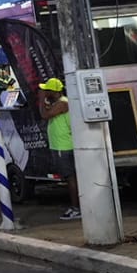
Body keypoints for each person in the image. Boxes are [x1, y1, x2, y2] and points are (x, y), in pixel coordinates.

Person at [36, 78, 80, 220]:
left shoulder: (63, 103)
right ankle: (76, 206)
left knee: (70, 177)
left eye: (47, 90)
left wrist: (42, 99)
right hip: (59, 145)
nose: (45, 92)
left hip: (64, 146)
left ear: (55, 92)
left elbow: (44, 115)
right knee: (69, 177)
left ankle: (76, 208)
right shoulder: (58, 103)